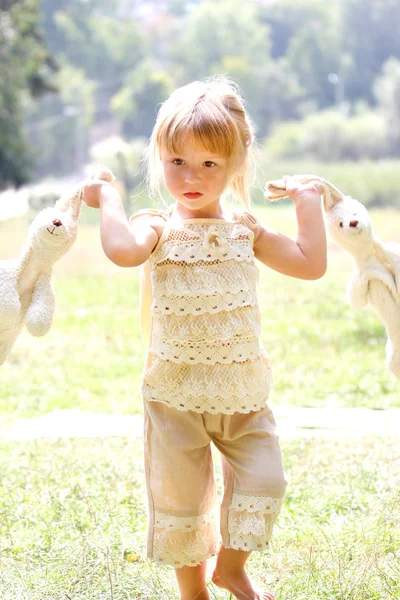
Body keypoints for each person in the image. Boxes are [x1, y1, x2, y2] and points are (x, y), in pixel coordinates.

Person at [83, 75, 327, 600]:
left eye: (209, 164)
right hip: (176, 395)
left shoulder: (246, 229)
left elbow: (310, 264)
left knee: (266, 481)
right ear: (160, 157)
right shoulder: (157, 228)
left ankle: (231, 569)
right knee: (183, 500)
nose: (191, 176)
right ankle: (193, 592)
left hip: (242, 393)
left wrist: (308, 201)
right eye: (178, 162)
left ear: (235, 163)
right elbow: (123, 251)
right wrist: (108, 198)